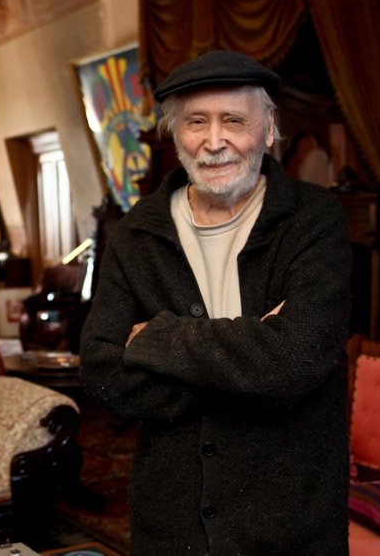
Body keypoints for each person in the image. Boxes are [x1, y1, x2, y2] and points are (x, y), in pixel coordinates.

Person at [79, 50, 353, 555]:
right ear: (174, 134)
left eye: (234, 120)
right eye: (195, 122)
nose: (214, 141)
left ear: (269, 128)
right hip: (171, 523)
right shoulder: (136, 233)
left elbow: (296, 360)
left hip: (291, 519)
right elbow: (101, 372)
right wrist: (252, 359)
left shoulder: (315, 222)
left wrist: (157, 339)